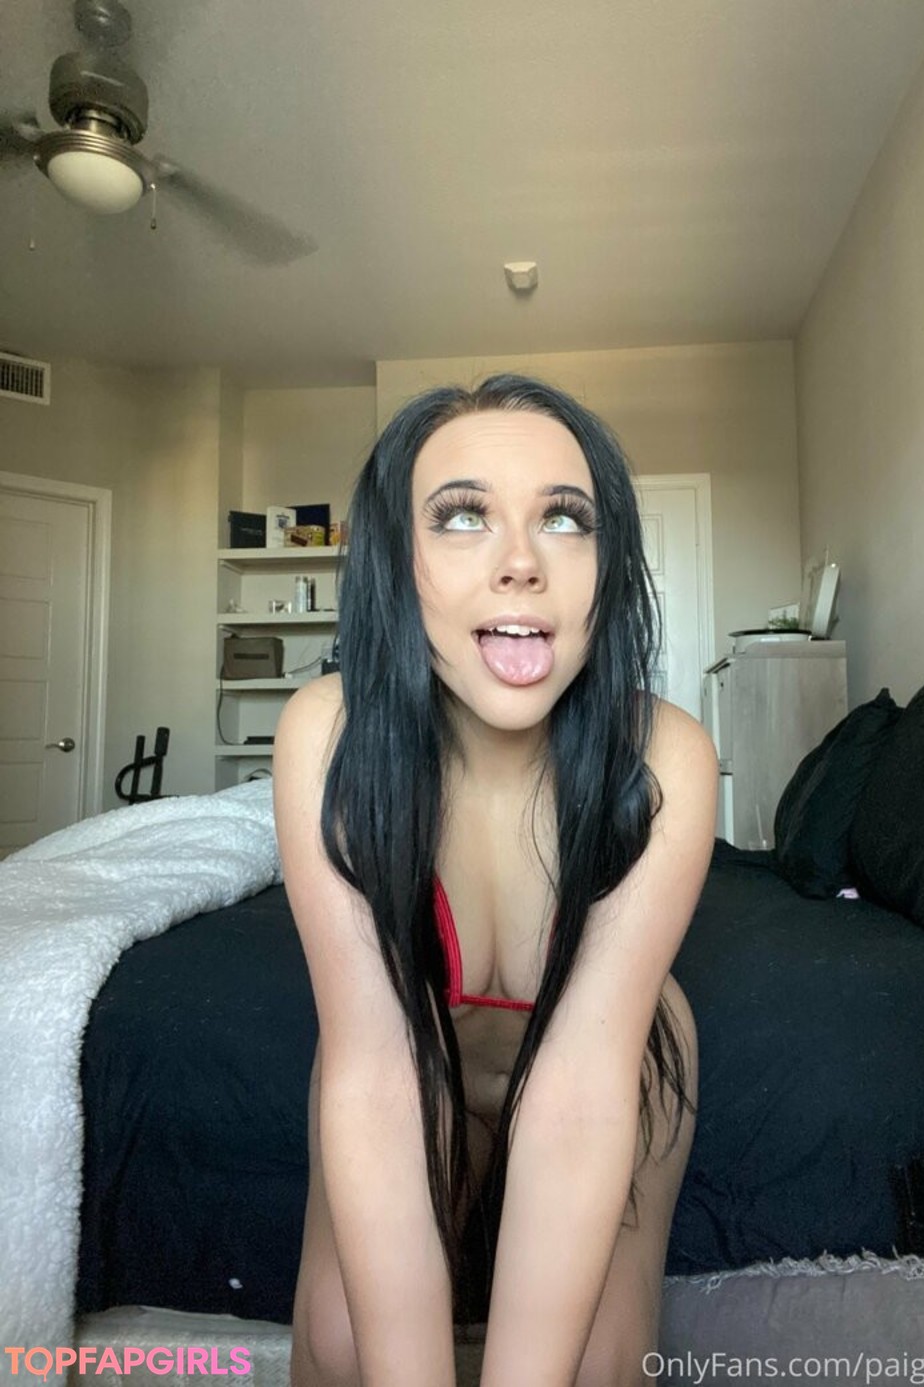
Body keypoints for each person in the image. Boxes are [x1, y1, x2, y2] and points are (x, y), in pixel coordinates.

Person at [273, 374, 718, 1387]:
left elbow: (584, 1088)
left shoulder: (667, 757)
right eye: (464, 515)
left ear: (608, 564)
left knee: (597, 1366)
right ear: (398, 562)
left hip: (609, 1076)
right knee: (341, 1349)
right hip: (402, 1065)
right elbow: (377, 1076)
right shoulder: (328, 736)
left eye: (564, 518)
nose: (521, 561)